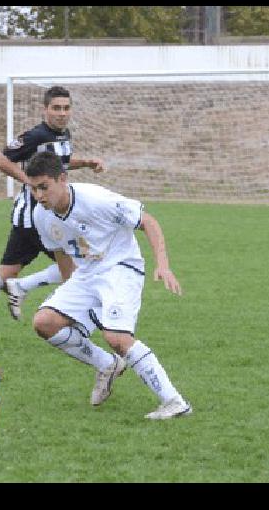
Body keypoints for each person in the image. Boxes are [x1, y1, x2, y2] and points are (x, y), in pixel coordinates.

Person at [27, 150, 192, 419]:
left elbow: (147, 221)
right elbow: (61, 253)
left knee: (116, 337)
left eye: (43, 187)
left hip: (121, 267)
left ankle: (174, 402)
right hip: (87, 274)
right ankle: (107, 364)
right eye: (33, 189)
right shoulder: (41, 216)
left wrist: (162, 264)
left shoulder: (95, 199)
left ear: (62, 179)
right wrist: (72, 296)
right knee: (44, 322)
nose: (39, 195)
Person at [0, 85, 105, 349]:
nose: (61, 113)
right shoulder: (34, 135)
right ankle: (77, 323)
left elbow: (61, 162)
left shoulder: (63, 134)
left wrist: (87, 162)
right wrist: (31, 183)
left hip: (43, 214)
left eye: (66, 108)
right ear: (45, 109)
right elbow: (0, 158)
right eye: (56, 108)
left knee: (10, 270)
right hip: (35, 215)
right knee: (77, 268)